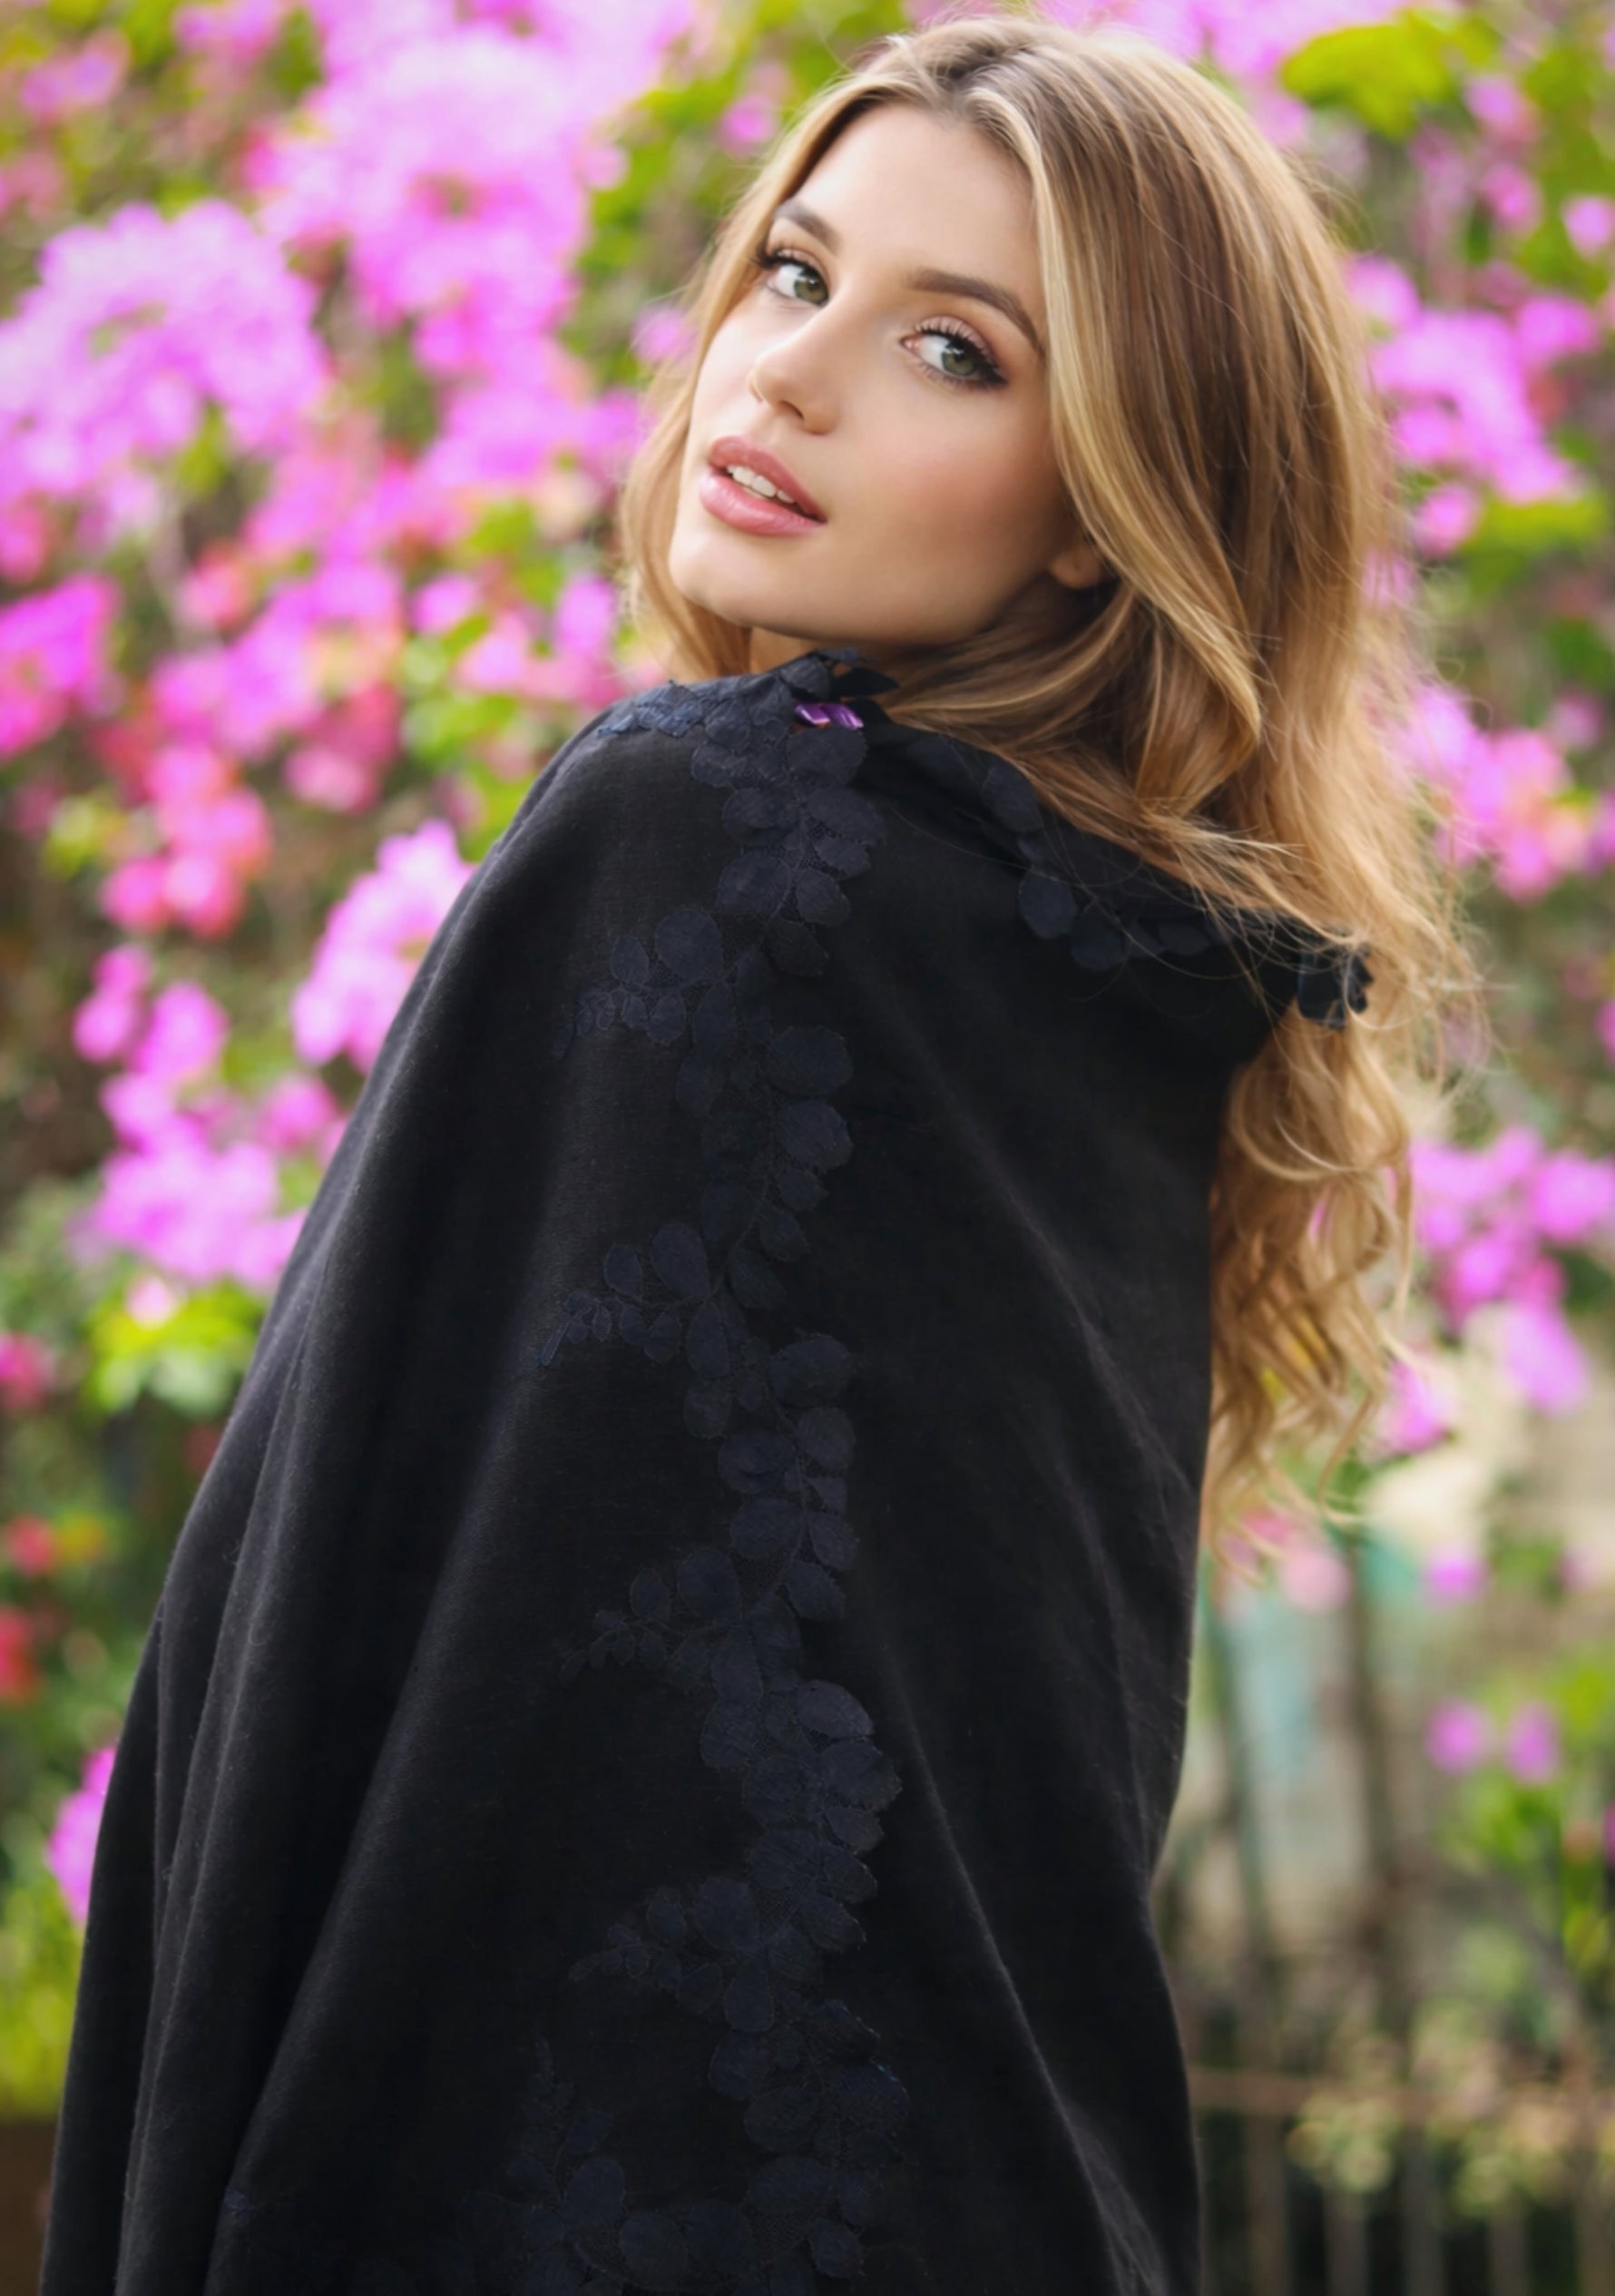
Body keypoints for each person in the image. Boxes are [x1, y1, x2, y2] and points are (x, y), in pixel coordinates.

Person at [40, 14, 1480, 2295]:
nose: (787, 377)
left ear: (1110, 507)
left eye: (949, 347)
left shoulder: (717, 830)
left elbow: (350, 1648)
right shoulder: (1127, 985)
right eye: (793, 273)